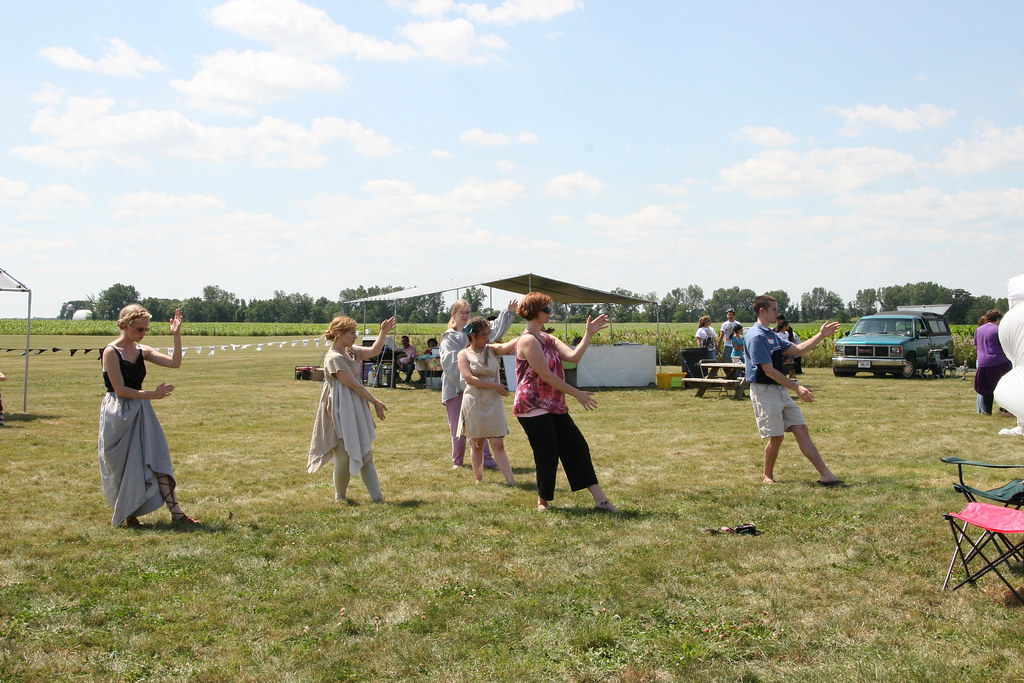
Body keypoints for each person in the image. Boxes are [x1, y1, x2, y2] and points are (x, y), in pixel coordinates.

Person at [513, 292, 616, 512]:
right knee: (547, 452)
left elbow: (573, 357)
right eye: (546, 309)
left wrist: (588, 334)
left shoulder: (548, 338)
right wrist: (577, 393)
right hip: (532, 404)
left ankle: (600, 500)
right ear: (534, 312)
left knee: (577, 446)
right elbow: (547, 376)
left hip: (554, 403)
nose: (550, 313)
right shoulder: (528, 340)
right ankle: (543, 501)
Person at [98, 305, 199, 527]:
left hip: (141, 409)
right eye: (138, 329)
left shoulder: (142, 350)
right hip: (118, 411)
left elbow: (175, 363)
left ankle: (177, 512)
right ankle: (129, 514)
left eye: (145, 329)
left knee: (157, 457)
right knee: (125, 465)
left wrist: (176, 335)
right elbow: (121, 390)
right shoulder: (110, 352)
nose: (142, 334)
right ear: (125, 326)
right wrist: (151, 394)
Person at [744, 294, 843, 485]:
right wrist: (797, 387)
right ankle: (767, 476)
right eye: (774, 309)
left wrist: (821, 335)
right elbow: (769, 371)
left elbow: (797, 350)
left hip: (779, 389)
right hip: (764, 391)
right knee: (776, 436)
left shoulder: (771, 334)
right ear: (762, 311)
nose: (778, 313)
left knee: (801, 429)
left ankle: (826, 474)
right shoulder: (756, 337)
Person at [308, 316, 396, 503]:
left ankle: (378, 498)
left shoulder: (351, 351)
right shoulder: (334, 358)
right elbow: (354, 385)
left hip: (355, 405)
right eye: (351, 333)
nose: (355, 336)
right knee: (344, 456)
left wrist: (383, 333)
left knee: (365, 454)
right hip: (339, 408)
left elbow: (373, 350)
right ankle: (340, 497)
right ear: (339, 335)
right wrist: (375, 402)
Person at [440, 298, 517, 470]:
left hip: (477, 387)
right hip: (456, 387)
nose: (465, 316)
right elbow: (450, 363)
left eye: (468, 312)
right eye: (462, 312)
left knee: (482, 424)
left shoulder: (474, 333)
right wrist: (466, 382)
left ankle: (487, 460)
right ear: (454, 314)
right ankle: (457, 461)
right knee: (458, 426)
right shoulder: (449, 338)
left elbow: (493, 330)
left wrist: (507, 312)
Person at [457, 317, 519, 485]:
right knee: (477, 443)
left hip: (493, 401)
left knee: (498, 443)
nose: (487, 337)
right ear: (473, 336)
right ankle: (478, 478)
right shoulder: (463, 354)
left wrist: (528, 333)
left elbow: (509, 345)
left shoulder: (492, 350)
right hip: (474, 402)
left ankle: (510, 480)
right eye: (484, 334)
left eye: (488, 334)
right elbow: (469, 379)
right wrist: (495, 386)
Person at [974, 310, 1012, 416]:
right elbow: (1005, 345)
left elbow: (976, 345)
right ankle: (1005, 409)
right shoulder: (998, 330)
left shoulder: (979, 330)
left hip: (983, 363)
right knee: (1004, 386)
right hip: (999, 362)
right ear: (998, 319)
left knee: (986, 389)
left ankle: (986, 411)